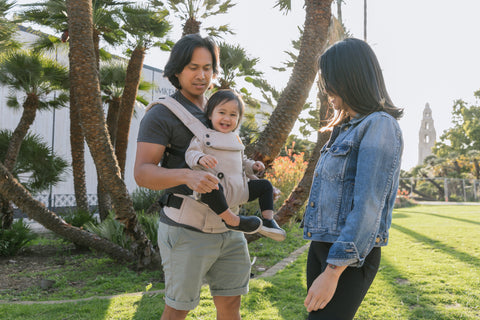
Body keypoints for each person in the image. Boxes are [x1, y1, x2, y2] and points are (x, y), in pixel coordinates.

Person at [134, 34, 249, 320]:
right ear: (176, 70)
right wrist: (188, 175)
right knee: (178, 309)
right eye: (193, 67)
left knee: (231, 304)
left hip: (230, 229)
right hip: (186, 229)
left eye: (208, 68)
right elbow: (142, 173)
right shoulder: (162, 114)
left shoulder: (219, 110)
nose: (202, 75)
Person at [302, 38, 404, 320]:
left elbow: (368, 206)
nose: (326, 90)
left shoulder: (379, 125)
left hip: (350, 257)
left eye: (329, 82)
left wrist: (333, 271)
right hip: (322, 245)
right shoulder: (345, 127)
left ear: (349, 78)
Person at [185, 89, 286, 241]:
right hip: (216, 192)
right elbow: (190, 153)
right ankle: (231, 220)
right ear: (210, 114)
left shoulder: (236, 140)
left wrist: (253, 166)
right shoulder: (203, 137)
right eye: (222, 112)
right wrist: (200, 157)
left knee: (265, 185)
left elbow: (242, 161)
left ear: (238, 119)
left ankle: (269, 220)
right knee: (211, 186)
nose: (227, 118)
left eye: (233, 115)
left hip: (239, 190)